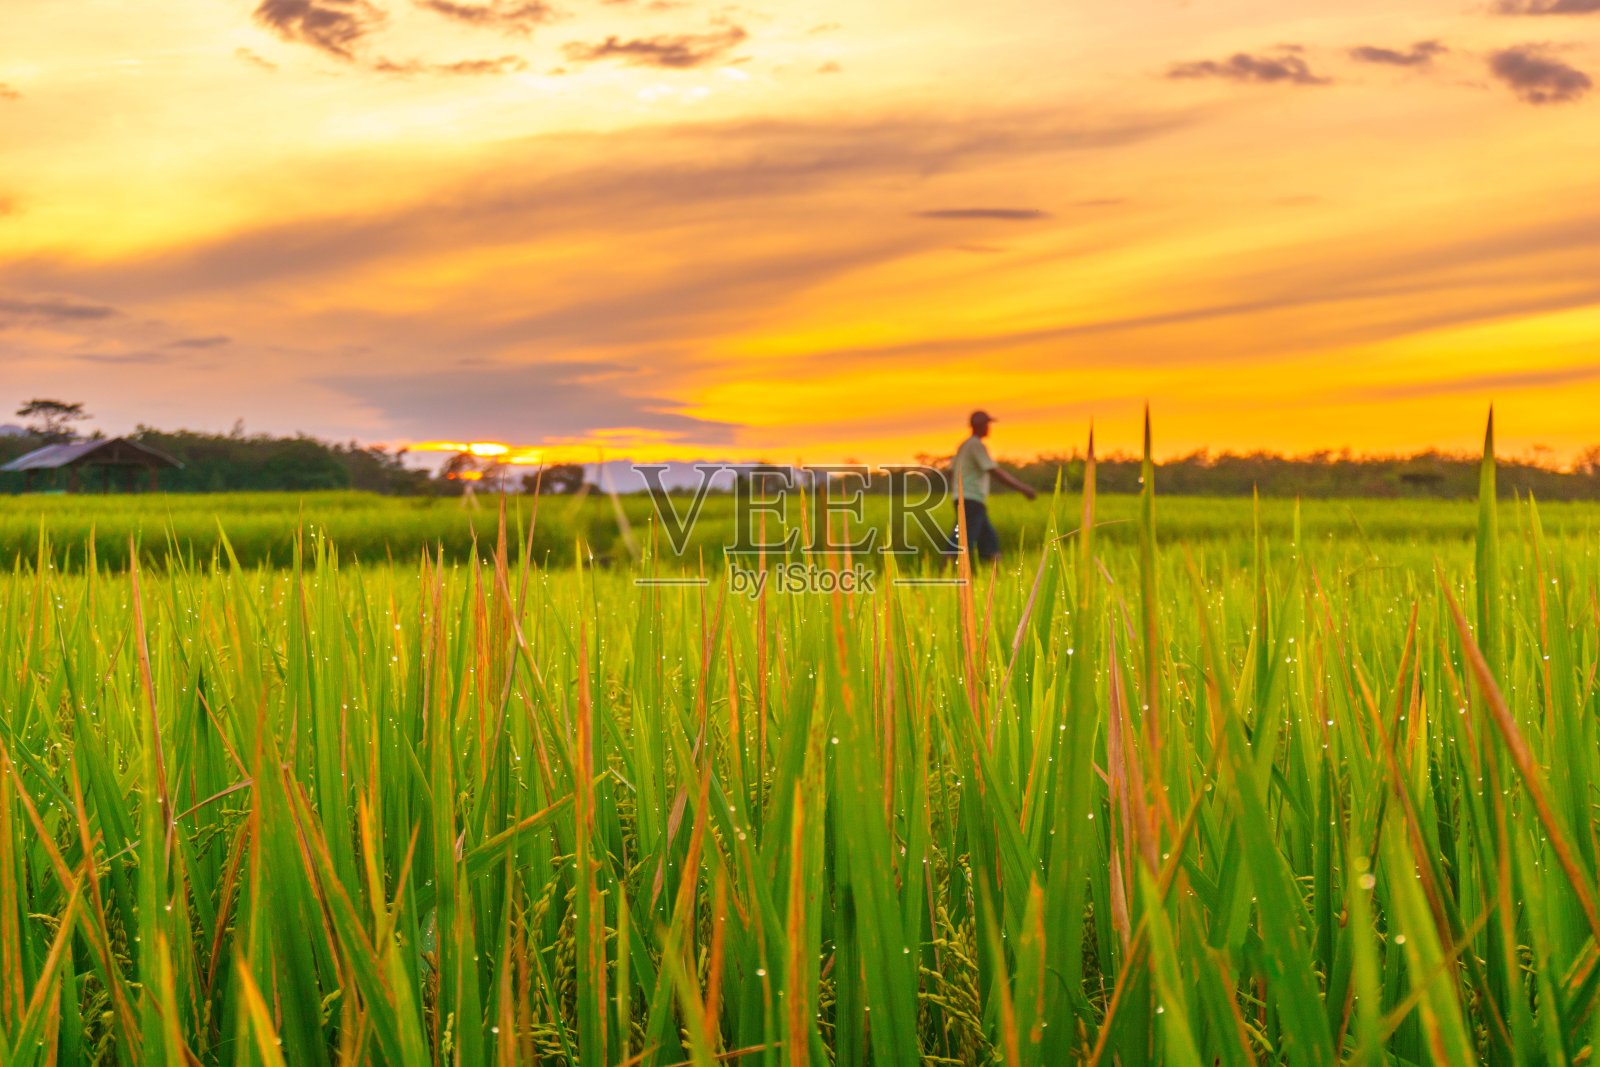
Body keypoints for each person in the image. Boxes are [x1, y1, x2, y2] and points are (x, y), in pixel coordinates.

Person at [948, 410, 1036, 562]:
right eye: (987, 424)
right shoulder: (976, 445)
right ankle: (947, 573)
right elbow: (994, 471)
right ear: (981, 426)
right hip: (971, 499)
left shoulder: (964, 445)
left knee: (989, 540)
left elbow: (951, 470)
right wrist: (1023, 489)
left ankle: (996, 576)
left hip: (964, 498)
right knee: (962, 541)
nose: (989, 428)